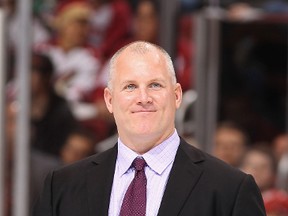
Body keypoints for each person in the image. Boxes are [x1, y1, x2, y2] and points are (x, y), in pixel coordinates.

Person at [33, 41, 265, 216]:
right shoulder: (61, 186)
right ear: (109, 100)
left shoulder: (230, 189)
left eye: (155, 85)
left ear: (176, 96)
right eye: (130, 86)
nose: (143, 98)